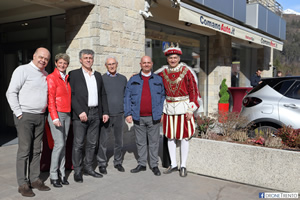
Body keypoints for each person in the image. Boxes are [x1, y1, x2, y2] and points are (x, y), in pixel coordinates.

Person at [6, 47, 51, 197]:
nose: (43, 60)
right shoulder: (22, 70)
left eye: (46, 59)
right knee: (24, 150)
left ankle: (34, 179)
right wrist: (18, 112)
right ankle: (23, 184)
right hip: (25, 116)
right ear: (34, 56)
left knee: (36, 150)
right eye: (41, 57)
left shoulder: (45, 74)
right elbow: (11, 92)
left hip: (40, 116)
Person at [156, 43, 201, 177]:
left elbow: (193, 91)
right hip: (169, 108)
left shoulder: (187, 72)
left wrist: (191, 109)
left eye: (175, 57)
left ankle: (183, 165)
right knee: (170, 137)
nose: (173, 60)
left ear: (179, 58)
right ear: (167, 59)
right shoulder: (163, 72)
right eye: (171, 58)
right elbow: (151, 79)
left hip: (184, 108)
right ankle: (174, 164)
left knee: (184, 137)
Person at [69, 49, 109, 183]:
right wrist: (79, 111)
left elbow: (103, 94)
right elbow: (71, 95)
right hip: (80, 114)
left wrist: (105, 112)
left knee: (92, 143)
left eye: (90, 58)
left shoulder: (98, 75)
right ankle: (78, 170)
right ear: (80, 60)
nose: (88, 60)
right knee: (78, 144)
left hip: (95, 113)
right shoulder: (73, 74)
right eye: (85, 58)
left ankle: (88, 168)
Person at [124, 56, 165, 176]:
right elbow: (127, 97)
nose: (146, 65)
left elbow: (163, 96)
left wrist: (162, 112)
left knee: (154, 142)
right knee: (140, 142)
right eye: (144, 63)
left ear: (152, 64)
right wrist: (128, 113)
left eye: (148, 63)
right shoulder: (133, 79)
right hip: (138, 116)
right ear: (140, 64)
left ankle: (154, 165)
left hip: (154, 117)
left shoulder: (158, 79)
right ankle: (142, 164)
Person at [97, 56, 127, 175]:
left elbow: (126, 96)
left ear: (117, 64)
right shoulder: (101, 79)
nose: (111, 66)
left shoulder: (123, 79)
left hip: (119, 114)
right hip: (106, 115)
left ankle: (118, 162)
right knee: (103, 141)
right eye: (109, 64)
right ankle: (102, 163)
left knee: (118, 141)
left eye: (113, 63)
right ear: (106, 66)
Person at [47, 53, 71, 187]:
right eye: (60, 62)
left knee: (63, 145)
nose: (62, 65)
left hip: (67, 114)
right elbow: (50, 99)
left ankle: (62, 173)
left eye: (65, 63)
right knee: (59, 144)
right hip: (57, 114)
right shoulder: (52, 77)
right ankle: (53, 175)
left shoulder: (66, 78)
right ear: (56, 63)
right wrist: (55, 117)